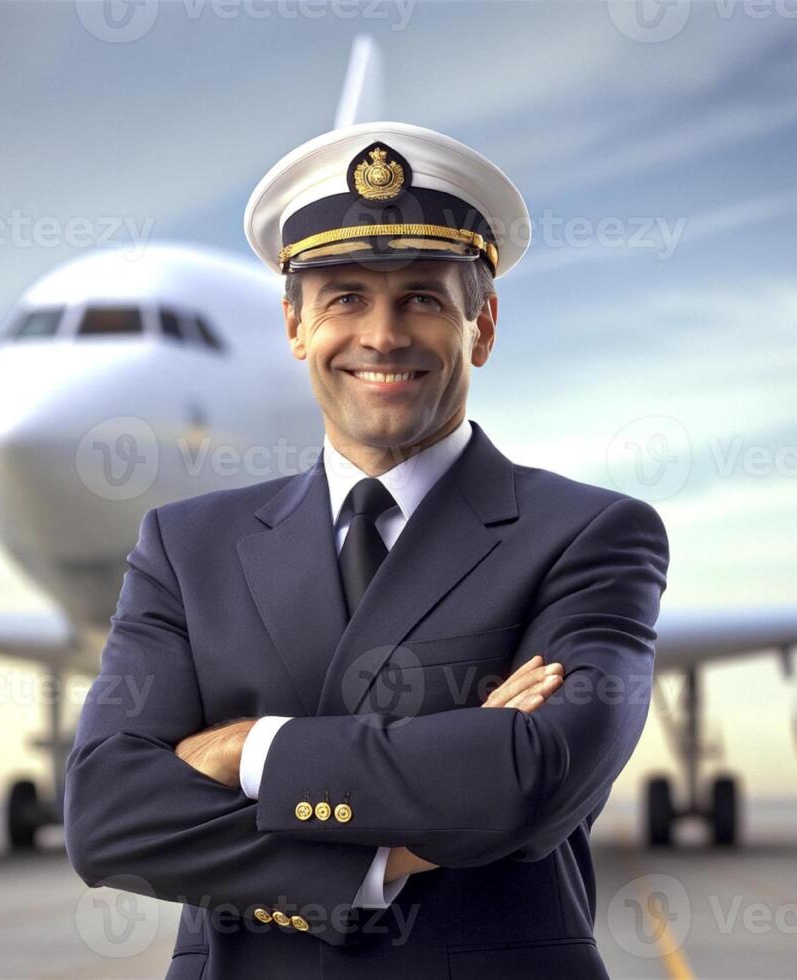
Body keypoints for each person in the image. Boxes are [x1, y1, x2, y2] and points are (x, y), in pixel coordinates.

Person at [64, 120, 670, 980]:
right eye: (344, 297)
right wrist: (389, 847)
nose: (381, 336)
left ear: (482, 326)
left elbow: (533, 779)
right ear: (294, 326)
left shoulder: (591, 532)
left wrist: (247, 752)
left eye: (421, 298)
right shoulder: (185, 545)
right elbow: (108, 818)